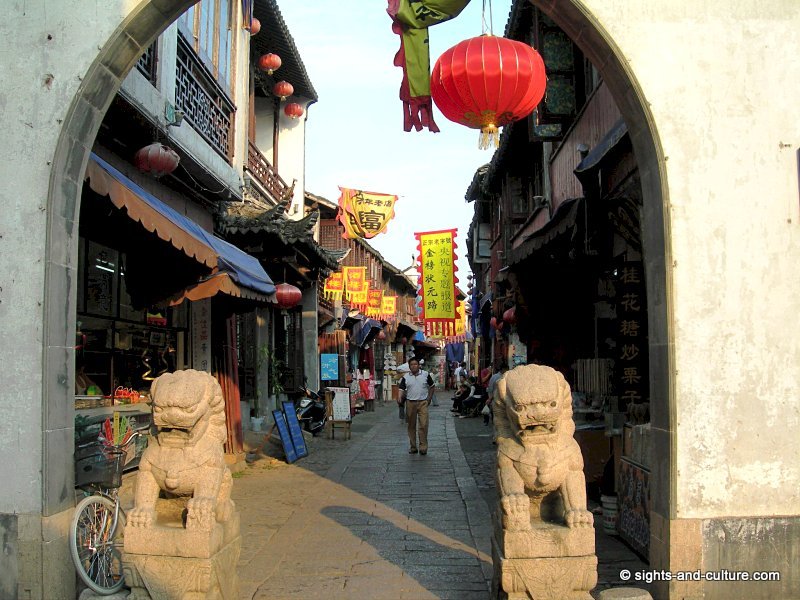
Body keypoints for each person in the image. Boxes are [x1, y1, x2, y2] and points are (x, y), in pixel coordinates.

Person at [398, 357, 435, 455]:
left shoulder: (426, 375)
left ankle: (423, 446)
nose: (414, 366)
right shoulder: (406, 377)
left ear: (419, 365)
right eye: (412, 365)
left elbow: (432, 386)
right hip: (410, 402)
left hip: (423, 402)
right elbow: (401, 388)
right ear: (409, 367)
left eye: (415, 364)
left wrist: (429, 399)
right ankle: (413, 446)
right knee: (411, 425)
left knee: (423, 424)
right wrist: (399, 397)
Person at [485, 361, 509, 425]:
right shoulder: (498, 377)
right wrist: (490, 398)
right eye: (506, 369)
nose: (507, 371)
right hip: (496, 398)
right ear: (502, 369)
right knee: (497, 413)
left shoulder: (495, 376)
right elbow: (491, 389)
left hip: (499, 398)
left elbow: (490, 388)